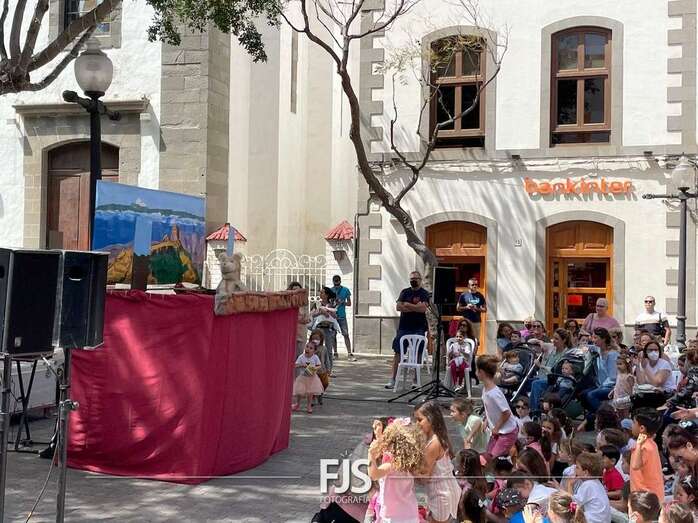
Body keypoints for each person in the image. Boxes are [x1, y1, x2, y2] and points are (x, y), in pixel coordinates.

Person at [367, 418, 423, 523]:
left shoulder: (391, 465)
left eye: (389, 439)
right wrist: (378, 434)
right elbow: (385, 449)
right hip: (410, 514)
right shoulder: (409, 462)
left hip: (393, 517)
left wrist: (370, 454)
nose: (386, 441)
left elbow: (373, 475)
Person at [415, 401, 461, 523]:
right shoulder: (437, 437)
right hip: (445, 491)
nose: (417, 424)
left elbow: (424, 477)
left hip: (441, 494)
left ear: (431, 420)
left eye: (419, 420)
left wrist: (407, 468)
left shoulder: (434, 443)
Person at [385, 271, 430, 389]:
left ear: (420, 280)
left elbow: (423, 309)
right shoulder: (404, 292)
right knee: (398, 352)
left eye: (415, 278)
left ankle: (415, 380)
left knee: (418, 352)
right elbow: (398, 307)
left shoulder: (424, 293)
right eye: (411, 279)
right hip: (404, 328)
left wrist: (408, 305)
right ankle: (393, 379)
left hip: (419, 327)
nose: (413, 280)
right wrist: (415, 307)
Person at [477, 355, 518, 460]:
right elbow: (490, 408)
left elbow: (506, 412)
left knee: (491, 459)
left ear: (481, 372)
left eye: (477, 370)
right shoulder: (486, 390)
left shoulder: (494, 393)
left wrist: (496, 428)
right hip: (498, 432)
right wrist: (487, 420)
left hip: (507, 432)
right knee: (488, 456)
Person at [579, 327, 619, 427]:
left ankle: (607, 418)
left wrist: (601, 386)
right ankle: (594, 416)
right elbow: (588, 347)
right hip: (600, 385)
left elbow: (613, 377)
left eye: (595, 338)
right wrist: (584, 346)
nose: (593, 340)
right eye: (593, 337)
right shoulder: (599, 349)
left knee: (591, 395)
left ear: (603, 339)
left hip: (611, 387)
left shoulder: (612, 354)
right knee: (582, 394)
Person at [530, 328, 575, 415]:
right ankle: (525, 407)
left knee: (536, 384)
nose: (553, 340)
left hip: (554, 379)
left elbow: (556, 370)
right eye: (553, 338)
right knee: (526, 382)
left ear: (564, 340)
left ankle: (535, 412)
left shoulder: (567, 354)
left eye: (556, 339)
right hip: (543, 376)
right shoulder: (552, 348)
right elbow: (530, 341)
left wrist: (540, 365)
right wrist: (540, 342)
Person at [630, 409, 665, 502]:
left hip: (645, 498)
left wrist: (638, 445)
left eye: (634, 423)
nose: (631, 426)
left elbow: (635, 466)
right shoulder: (652, 444)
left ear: (642, 428)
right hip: (651, 496)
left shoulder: (643, 447)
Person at [568, 451, 611, 523]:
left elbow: (572, 506)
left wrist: (570, 485)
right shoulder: (596, 482)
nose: (575, 469)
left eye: (577, 467)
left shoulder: (587, 485)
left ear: (585, 473)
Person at [310, 287, 340, 375]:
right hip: (319, 329)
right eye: (320, 292)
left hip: (329, 329)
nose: (320, 294)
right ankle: (313, 369)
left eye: (322, 293)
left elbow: (336, 316)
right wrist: (320, 312)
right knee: (315, 348)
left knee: (329, 350)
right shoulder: (316, 304)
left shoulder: (332, 305)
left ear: (327, 295)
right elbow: (312, 315)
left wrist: (330, 312)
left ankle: (329, 370)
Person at [292, 342, 324, 413]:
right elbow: (295, 365)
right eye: (307, 346)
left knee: (310, 393)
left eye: (311, 348)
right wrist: (301, 365)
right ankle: (297, 404)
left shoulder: (315, 357)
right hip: (302, 377)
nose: (308, 349)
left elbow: (319, 365)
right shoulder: (301, 357)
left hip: (312, 378)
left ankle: (309, 406)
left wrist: (315, 368)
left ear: (314, 351)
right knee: (299, 392)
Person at [331, 275, 356, 361]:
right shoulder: (331, 290)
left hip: (342, 316)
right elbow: (329, 303)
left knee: (345, 334)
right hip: (333, 316)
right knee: (333, 335)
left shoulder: (345, 290)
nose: (336, 286)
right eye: (335, 284)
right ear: (333, 282)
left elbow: (349, 303)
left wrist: (342, 302)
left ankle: (349, 353)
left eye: (338, 284)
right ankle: (335, 353)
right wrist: (334, 302)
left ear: (340, 282)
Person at [288, 281, 310, 361]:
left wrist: (300, 319)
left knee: (299, 356)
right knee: (290, 356)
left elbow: (307, 318)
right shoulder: (288, 303)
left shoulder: (304, 303)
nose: (296, 292)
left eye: (298, 290)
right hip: (291, 332)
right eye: (294, 290)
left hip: (302, 333)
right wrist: (299, 319)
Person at [609, 355, 635, 419]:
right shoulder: (619, 374)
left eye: (620, 364)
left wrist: (630, 399)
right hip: (617, 398)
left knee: (625, 417)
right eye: (617, 364)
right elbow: (617, 385)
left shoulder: (629, 376)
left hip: (625, 401)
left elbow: (632, 389)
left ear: (626, 365)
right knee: (619, 417)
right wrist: (612, 391)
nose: (618, 366)